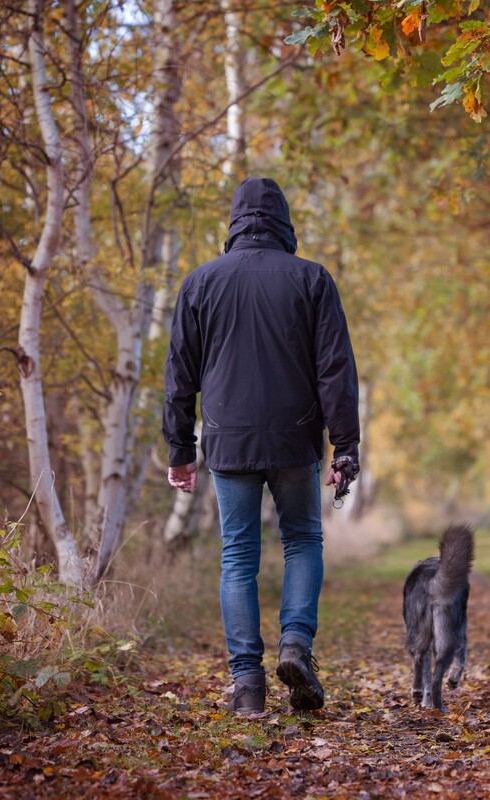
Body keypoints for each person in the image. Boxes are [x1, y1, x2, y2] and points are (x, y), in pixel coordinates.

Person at [162, 177, 360, 714]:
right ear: (284, 221)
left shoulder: (200, 283)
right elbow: (335, 370)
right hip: (296, 438)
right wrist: (345, 446)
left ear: (234, 220)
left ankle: (247, 684)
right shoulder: (312, 280)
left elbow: (179, 374)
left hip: (227, 441)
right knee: (301, 541)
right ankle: (295, 644)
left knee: (238, 557)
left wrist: (180, 448)